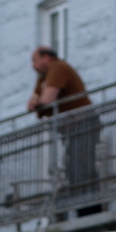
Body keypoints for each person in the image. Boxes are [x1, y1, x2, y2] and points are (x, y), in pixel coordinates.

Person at [27, 45, 97, 196]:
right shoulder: (43, 78)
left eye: (35, 60)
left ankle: (89, 205)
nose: (33, 65)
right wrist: (37, 103)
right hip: (72, 127)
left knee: (81, 168)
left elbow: (46, 100)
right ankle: (83, 203)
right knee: (74, 167)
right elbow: (32, 103)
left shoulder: (59, 67)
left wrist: (38, 103)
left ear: (46, 58)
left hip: (83, 122)